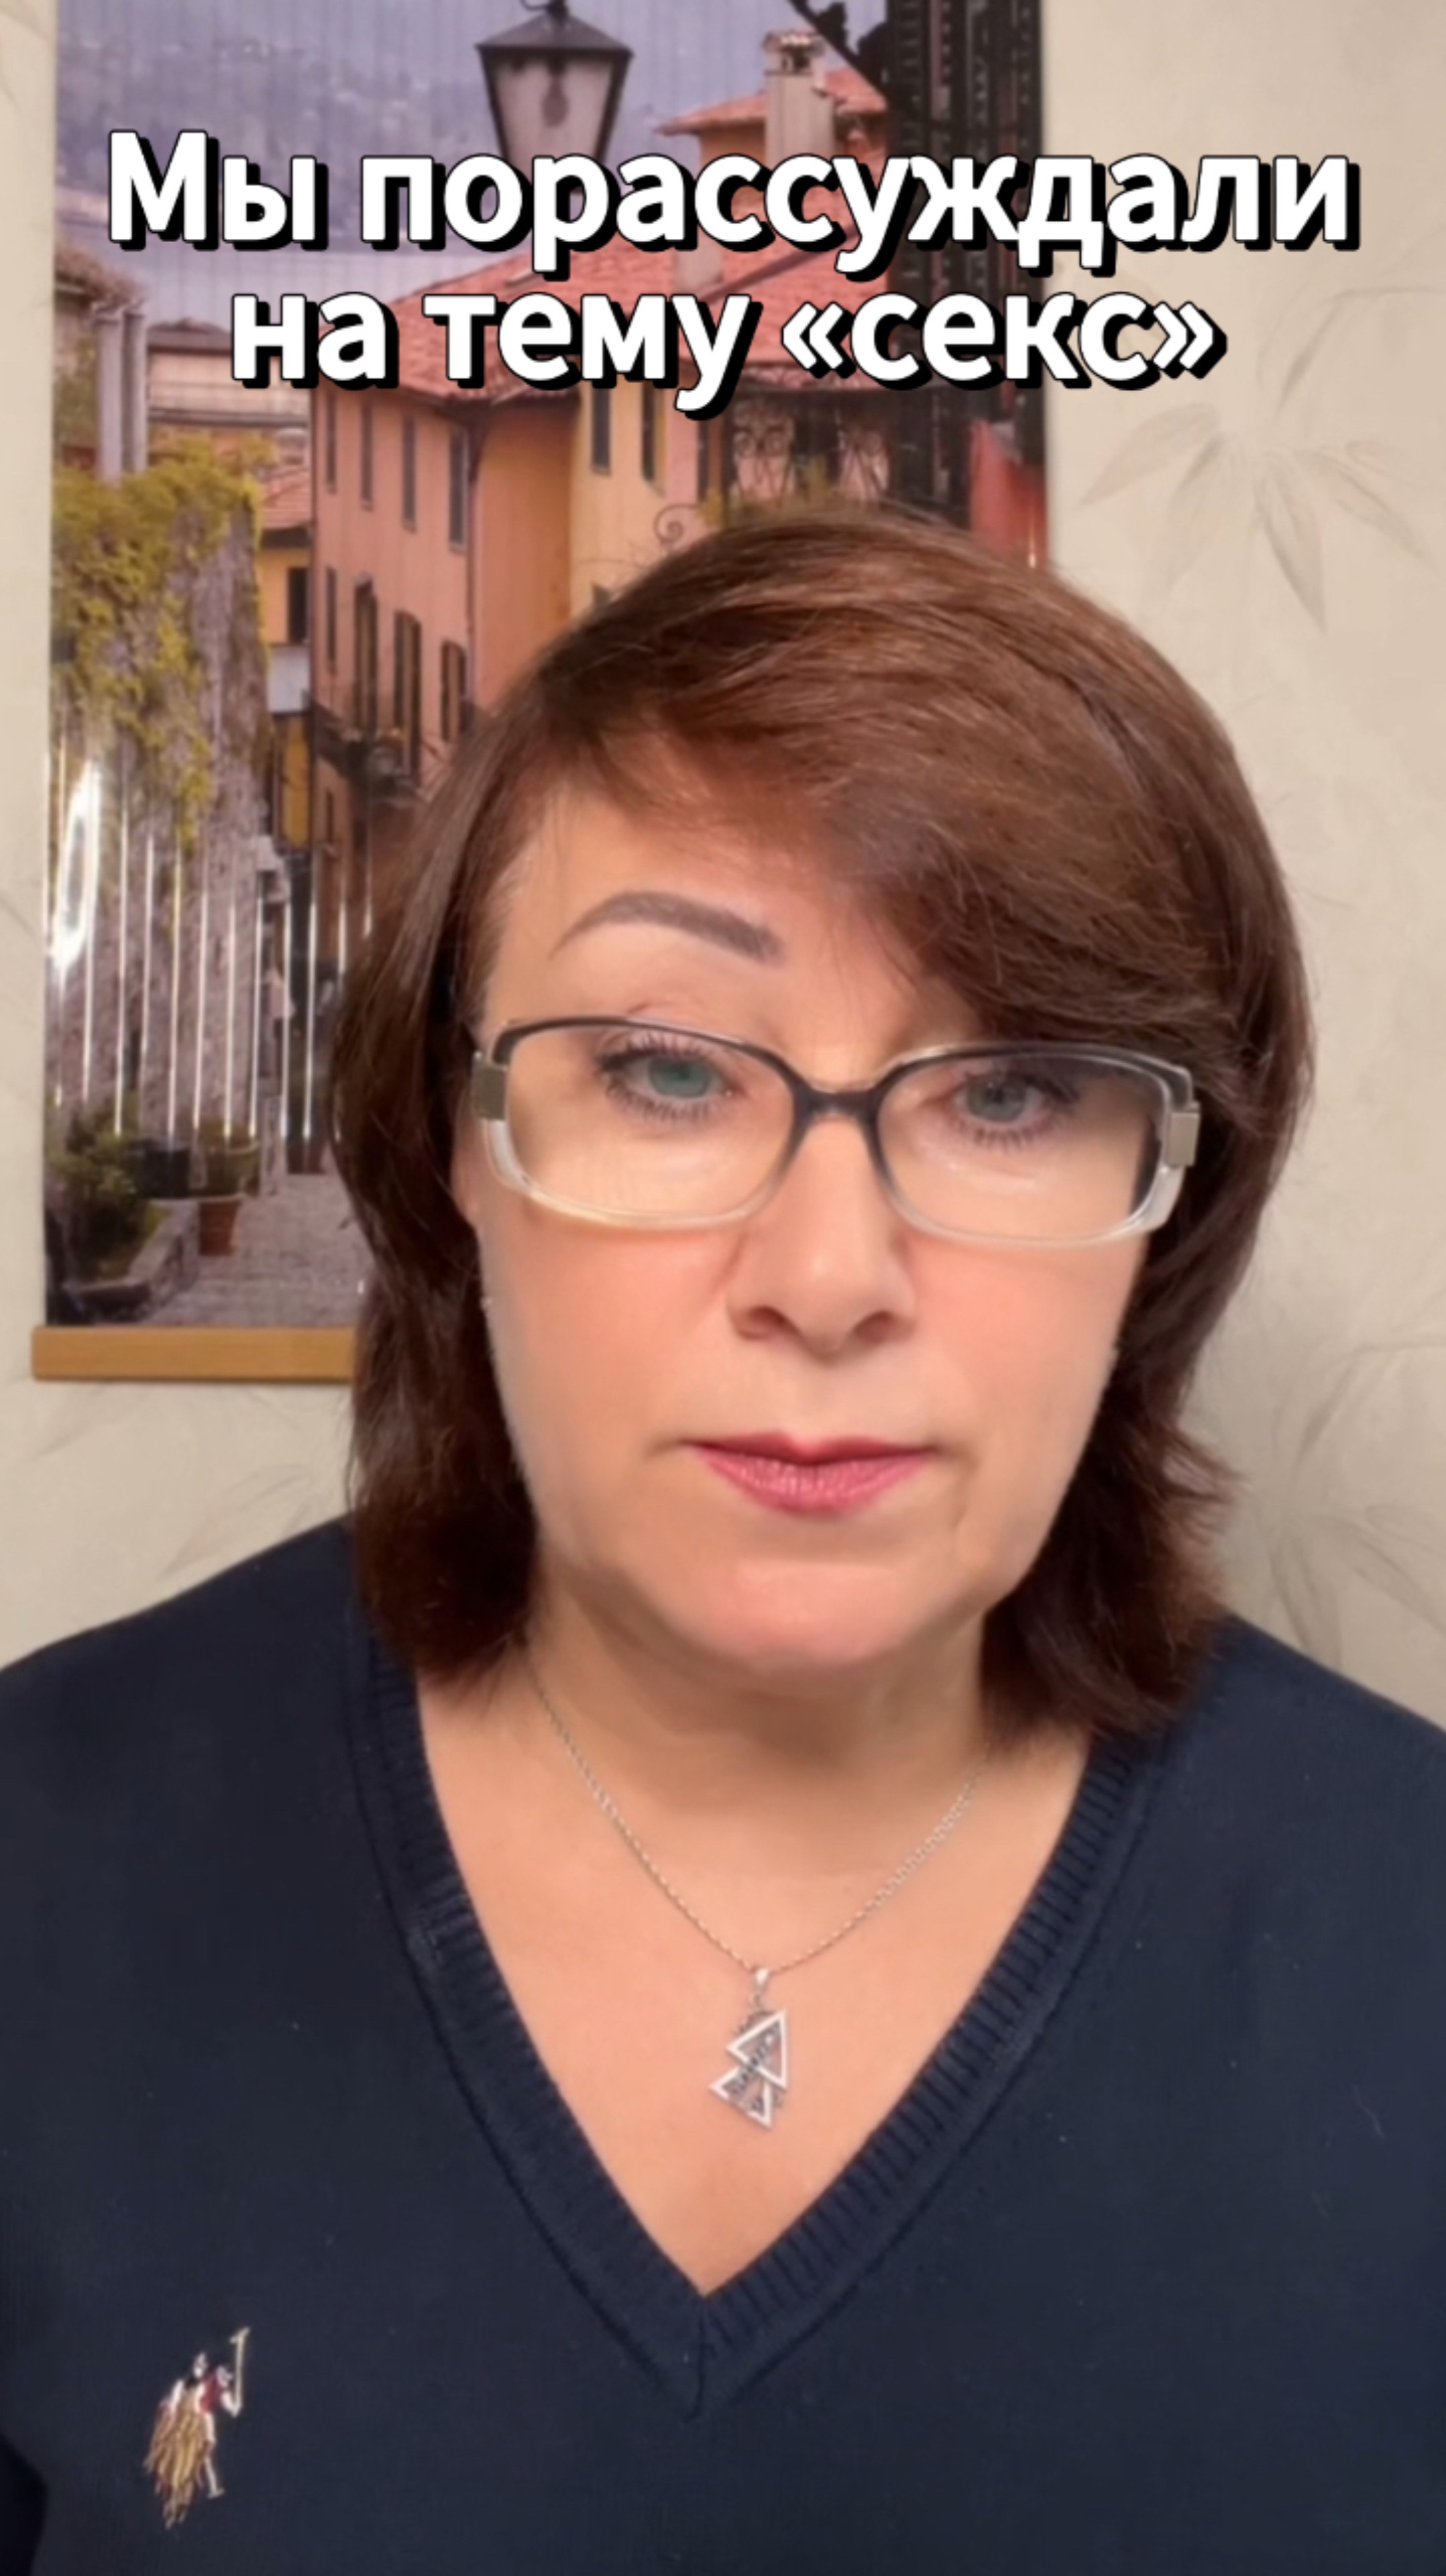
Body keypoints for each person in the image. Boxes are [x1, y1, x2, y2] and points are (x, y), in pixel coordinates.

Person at [2, 504, 1444, 2574]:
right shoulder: (49, 1866)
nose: (829, 1275)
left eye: (1012, 1092)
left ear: (1166, 1206)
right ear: (455, 1146)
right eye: (667, 1070)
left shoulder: (1399, 1936)